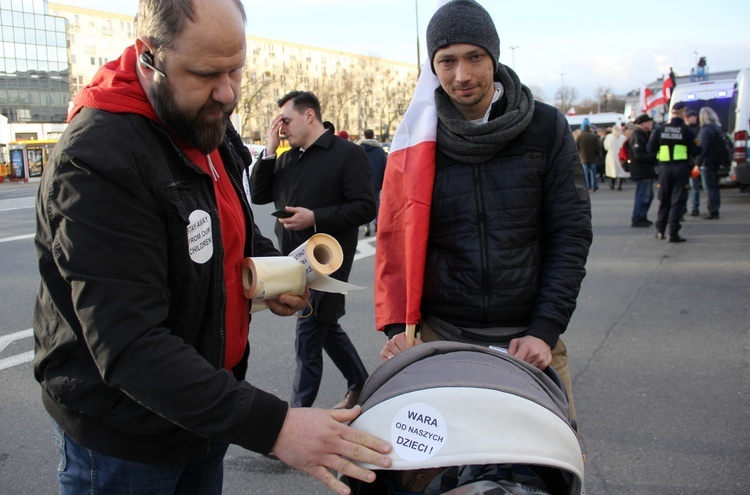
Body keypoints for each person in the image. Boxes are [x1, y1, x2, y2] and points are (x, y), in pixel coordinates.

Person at [32, 2, 391, 494]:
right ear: (148, 56)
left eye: (236, 69)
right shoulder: (98, 157)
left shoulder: (201, 118)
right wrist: (278, 427)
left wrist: (272, 272)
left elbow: (233, 222)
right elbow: (130, 344)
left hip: (203, 417)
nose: (227, 93)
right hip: (125, 441)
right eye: (206, 74)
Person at [375, 0, 592, 419]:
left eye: (475, 57)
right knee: (437, 476)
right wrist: (396, 329)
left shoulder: (547, 127)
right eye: (447, 61)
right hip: (441, 339)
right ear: (432, 67)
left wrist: (544, 331)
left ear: (494, 55)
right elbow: (395, 237)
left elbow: (570, 233)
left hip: (530, 344)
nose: (462, 75)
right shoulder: (418, 139)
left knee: (548, 469)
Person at [250, 90, 375, 410]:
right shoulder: (287, 156)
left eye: (286, 121)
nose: (283, 128)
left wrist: (316, 216)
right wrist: (268, 147)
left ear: (309, 116)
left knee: (308, 336)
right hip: (291, 262)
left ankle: (295, 416)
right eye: (278, 123)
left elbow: (365, 207)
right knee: (325, 326)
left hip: (328, 262)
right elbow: (258, 194)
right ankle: (361, 384)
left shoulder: (347, 153)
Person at [647, 102, 701, 242]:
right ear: (683, 113)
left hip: (664, 169)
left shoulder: (660, 129)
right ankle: (673, 232)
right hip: (681, 169)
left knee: (664, 199)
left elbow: (650, 149)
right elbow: (697, 150)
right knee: (677, 201)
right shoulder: (687, 131)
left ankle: (660, 230)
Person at [628, 114, 658, 228]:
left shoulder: (643, 134)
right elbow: (638, 154)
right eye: (650, 122)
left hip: (645, 170)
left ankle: (642, 216)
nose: (652, 124)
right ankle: (638, 217)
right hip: (641, 170)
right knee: (643, 195)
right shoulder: (638, 134)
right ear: (643, 123)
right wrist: (654, 156)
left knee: (648, 195)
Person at [695, 106, 723, 219]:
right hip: (715, 161)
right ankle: (715, 208)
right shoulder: (717, 128)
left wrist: (697, 163)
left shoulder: (705, 130)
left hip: (707, 162)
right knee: (715, 187)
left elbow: (702, 148)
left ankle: (712, 211)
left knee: (709, 187)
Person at [359, 129, 388, 237]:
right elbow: (385, 165)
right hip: (376, 180)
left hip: (363, 181)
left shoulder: (359, 148)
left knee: (365, 203)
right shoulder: (379, 149)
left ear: (365, 136)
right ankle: (377, 223)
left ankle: (366, 226)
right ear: (373, 135)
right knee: (376, 203)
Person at [576, 120, 601, 191]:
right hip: (593, 157)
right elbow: (598, 147)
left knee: (586, 173)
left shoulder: (580, 137)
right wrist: (597, 154)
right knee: (593, 173)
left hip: (583, 157)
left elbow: (576, 147)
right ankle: (594, 185)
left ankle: (587, 185)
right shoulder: (594, 136)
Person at [603, 123, 630, 190]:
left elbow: (606, 147)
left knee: (613, 170)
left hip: (611, 155)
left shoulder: (609, 137)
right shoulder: (623, 137)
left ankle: (612, 184)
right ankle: (619, 185)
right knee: (620, 170)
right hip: (620, 155)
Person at [685, 109, 702, 216]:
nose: (696, 118)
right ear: (687, 118)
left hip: (692, 161)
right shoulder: (686, 130)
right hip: (687, 162)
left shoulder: (698, 129)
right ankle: (684, 207)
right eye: (694, 117)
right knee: (686, 186)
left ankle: (695, 207)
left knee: (694, 186)